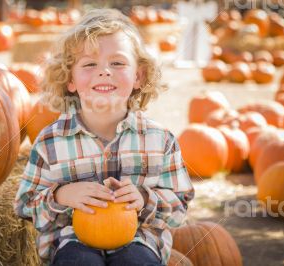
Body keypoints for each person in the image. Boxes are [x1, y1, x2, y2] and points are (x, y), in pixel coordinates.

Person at [14, 8, 194, 266]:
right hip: (71, 241)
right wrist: (62, 195)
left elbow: (180, 206)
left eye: (117, 63)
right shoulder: (51, 141)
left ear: (138, 76)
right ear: (70, 79)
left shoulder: (160, 140)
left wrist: (144, 198)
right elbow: (24, 204)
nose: (104, 71)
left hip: (139, 241)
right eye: (89, 64)